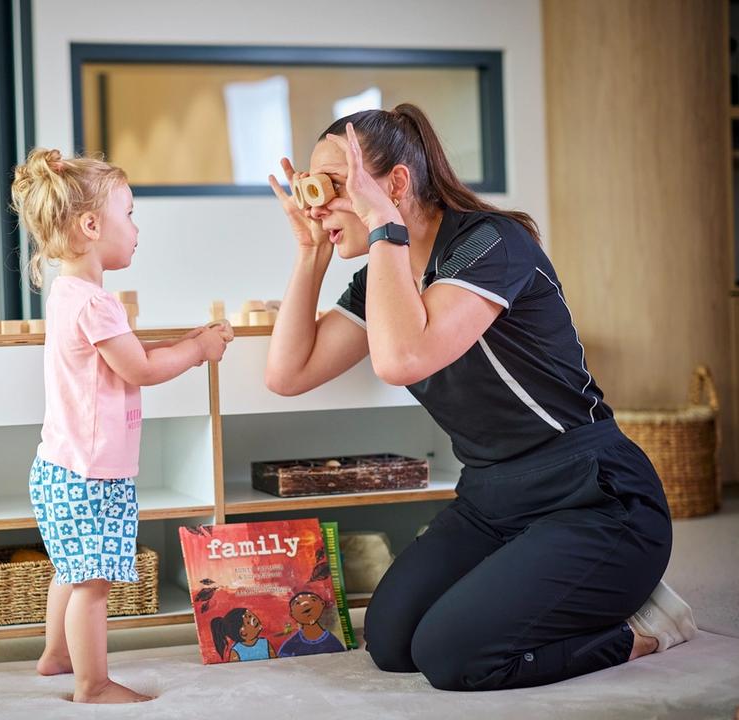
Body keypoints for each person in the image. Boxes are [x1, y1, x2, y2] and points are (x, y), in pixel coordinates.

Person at [264, 104, 695, 691]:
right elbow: (288, 374)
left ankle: (641, 626)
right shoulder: (381, 278)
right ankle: (540, 584)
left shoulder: (491, 242)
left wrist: (384, 224)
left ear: (395, 184)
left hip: (593, 496)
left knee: (452, 656)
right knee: (390, 641)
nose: (317, 202)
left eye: (337, 185)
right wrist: (310, 252)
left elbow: (400, 359)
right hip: (492, 501)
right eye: (314, 188)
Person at [11, 148, 231, 704]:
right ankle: (93, 682)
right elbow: (142, 368)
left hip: (61, 467)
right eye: (129, 214)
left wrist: (184, 343)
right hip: (90, 475)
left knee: (71, 567)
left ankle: (57, 655)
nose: (136, 229)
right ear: (90, 225)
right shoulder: (97, 305)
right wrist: (200, 349)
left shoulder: (70, 295)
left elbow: (125, 356)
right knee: (91, 582)